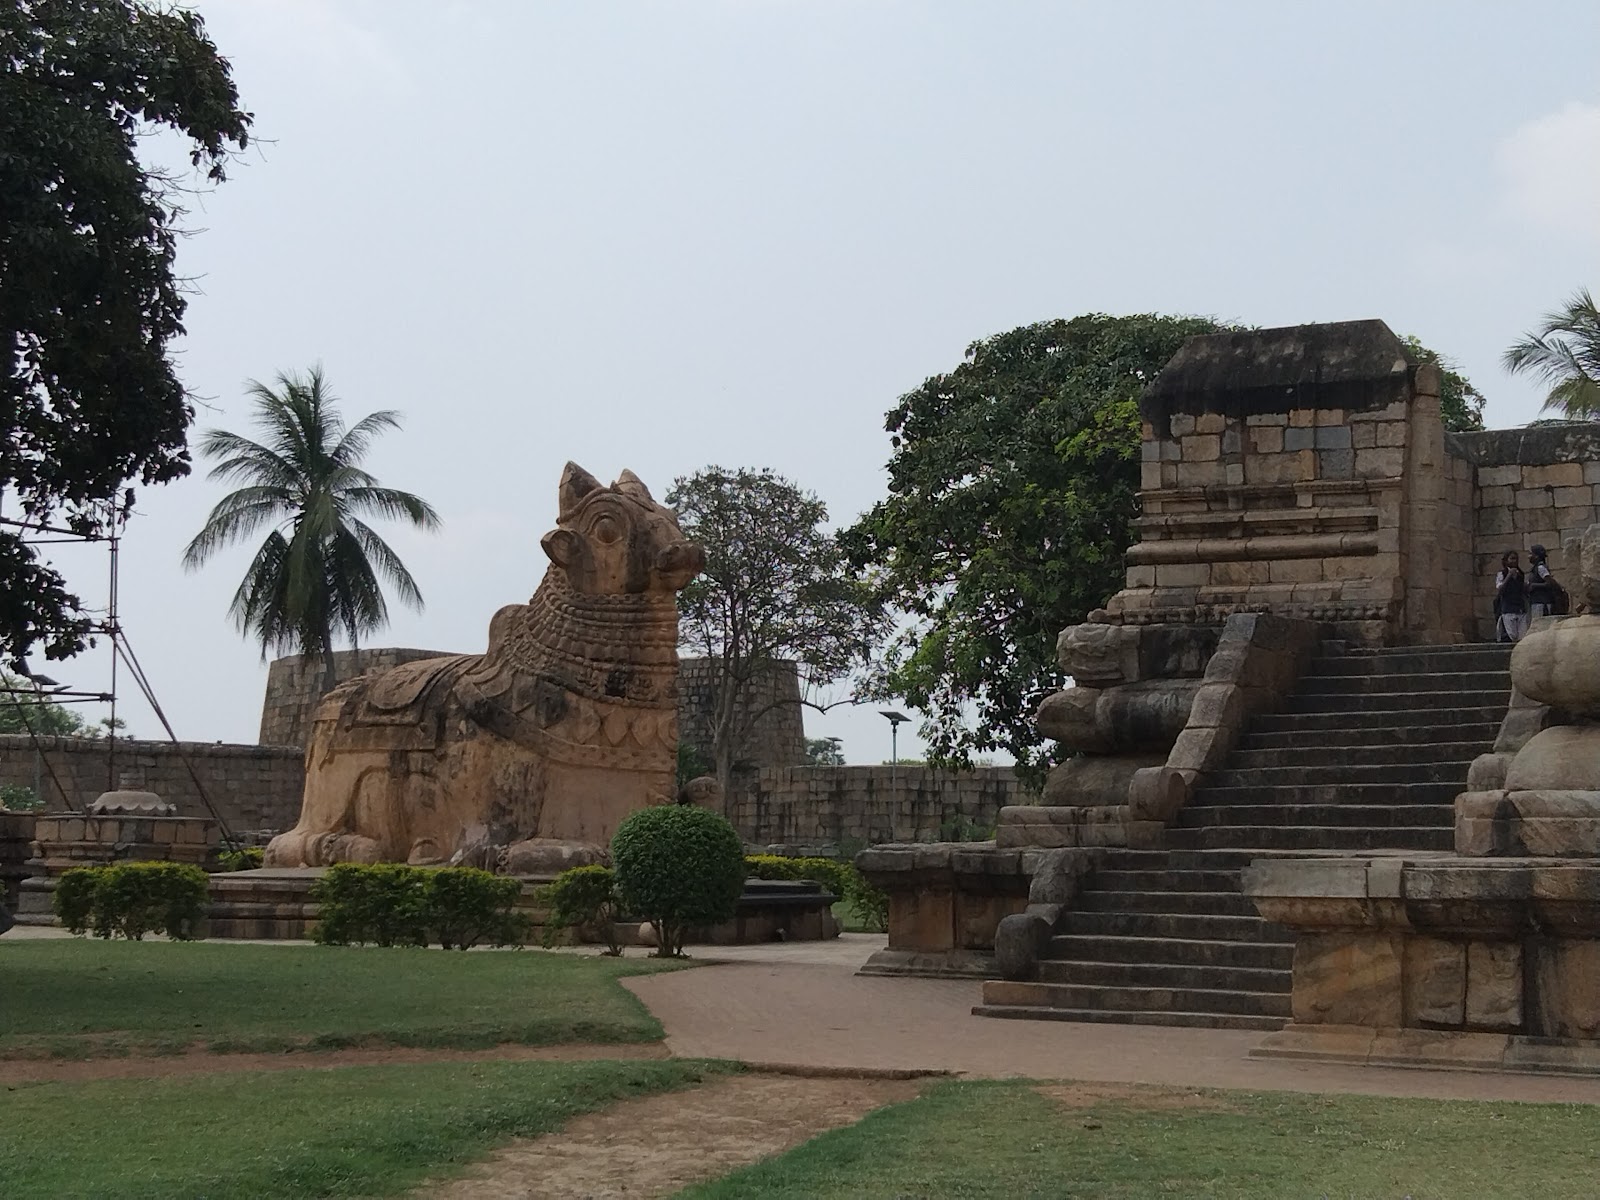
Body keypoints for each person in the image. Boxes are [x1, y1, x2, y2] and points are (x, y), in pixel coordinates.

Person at [1496, 550, 1528, 642]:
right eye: (1512, 558)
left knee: (1522, 636)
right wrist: (1509, 576)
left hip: (1520, 609)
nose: (1515, 561)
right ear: (1506, 561)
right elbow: (1500, 589)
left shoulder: (1520, 574)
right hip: (1508, 610)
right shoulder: (1501, 574)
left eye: (1516, 559)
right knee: (1512, 635)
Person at [1528, 544, 1557, 618]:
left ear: (1536, 556)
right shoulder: (1535, 568)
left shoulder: (1540, 568)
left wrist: (1534, 585)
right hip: (1537, 602)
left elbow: (1549, 583)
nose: (1528, 556)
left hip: (1542, 603)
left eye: (1531, 554)